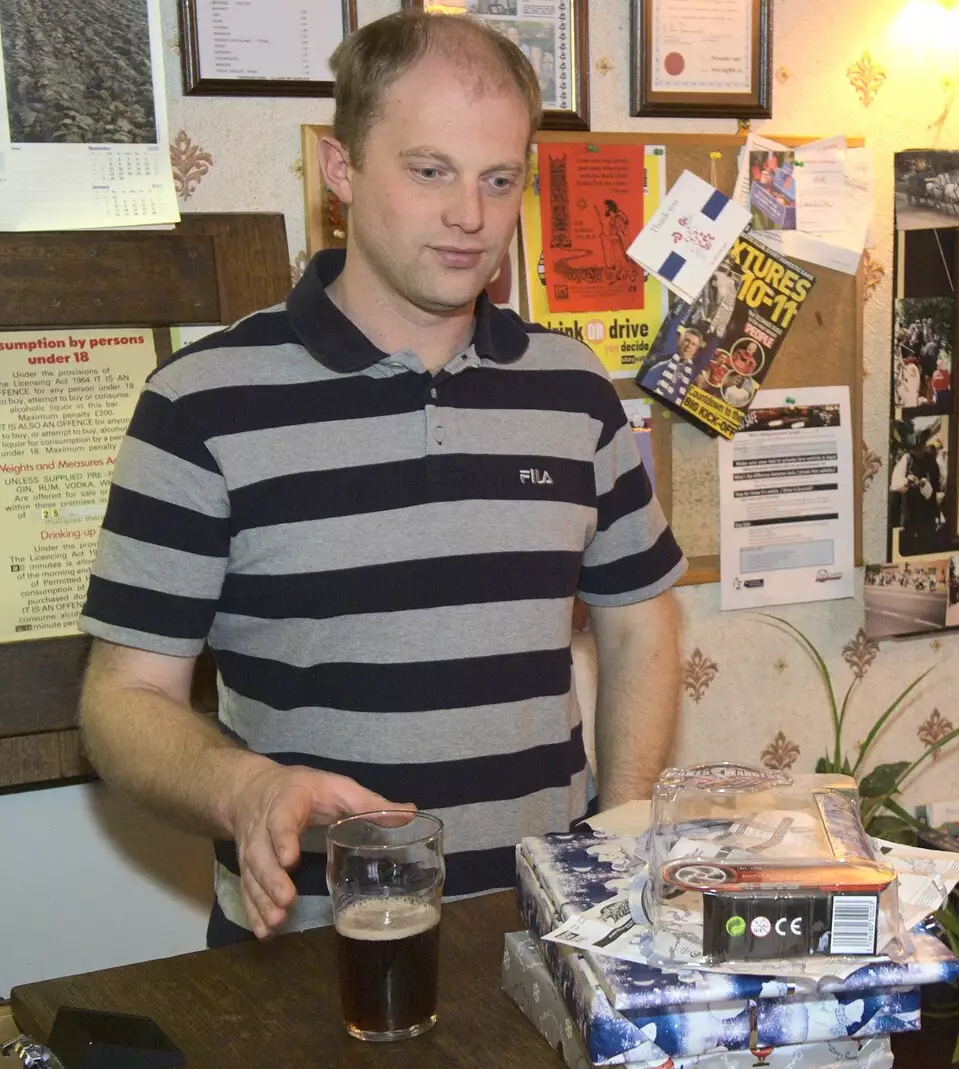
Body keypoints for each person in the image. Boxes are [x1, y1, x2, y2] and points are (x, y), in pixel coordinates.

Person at [76, 11, 685, 947]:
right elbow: (122, 701)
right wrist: (246, 789)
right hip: (312, 957)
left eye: (499, 178)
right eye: (429, 170)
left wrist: (626, 821)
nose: (469, 215)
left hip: (550, 940)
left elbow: (639, 619)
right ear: (341, 167)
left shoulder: (577, 394)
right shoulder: (198, 404)